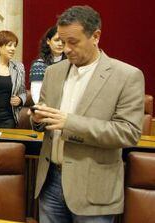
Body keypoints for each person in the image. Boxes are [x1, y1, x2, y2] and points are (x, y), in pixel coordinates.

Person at [29, 5, 145, 223]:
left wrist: (69, 122)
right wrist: (37, 120)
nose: (66, 49)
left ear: (96, 36)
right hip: (50, 182)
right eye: (63, 42)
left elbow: (128, 133)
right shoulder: (52, 73)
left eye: (73, 42)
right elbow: (45, 119)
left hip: (94, 188)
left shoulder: (127, 76)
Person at [29, 25, 65, 103]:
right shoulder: (39, 65)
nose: (60, 44)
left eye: (63, 41)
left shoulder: (72, 63)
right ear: (48, 41)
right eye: (57, 40)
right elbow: (36, 95)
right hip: (47, 108)